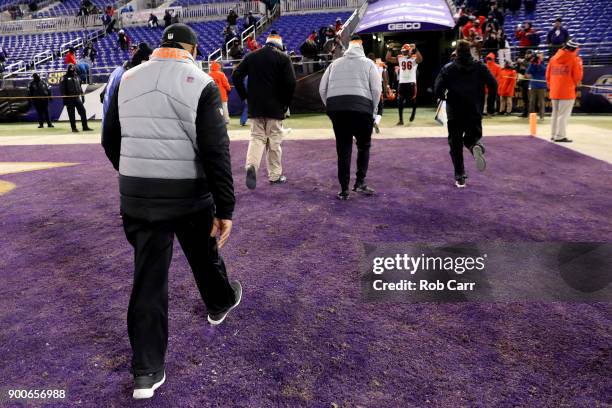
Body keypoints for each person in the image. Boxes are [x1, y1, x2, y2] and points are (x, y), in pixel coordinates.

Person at [101, 23, 241, 399]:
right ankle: (219, 302)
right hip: (188, 195)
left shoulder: (126, 78)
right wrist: (225, 206)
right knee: (203, 251)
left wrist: (136, 177)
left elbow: (110, 138)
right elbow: (216, 152)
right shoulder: (201, 83)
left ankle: (146, 372)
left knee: (148, 279)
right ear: (192, 50)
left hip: (139, 197)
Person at [319, 36, 381, 200]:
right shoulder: (369, 64)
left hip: (337, 109)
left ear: (348, 48)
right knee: (364, 145)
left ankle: (344, 189)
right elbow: (376, 90)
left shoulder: (335, 64)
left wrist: (330, 107)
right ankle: (360, 182)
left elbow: (322, 89)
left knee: (343, 148)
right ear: (362, 47)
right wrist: (372, 111)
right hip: (362, 108)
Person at [232, 32, 296, 189]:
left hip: (255, 106)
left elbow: (236, 75)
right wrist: (285, 104)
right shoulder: (283, 58)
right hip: (275, 106)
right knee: (274, 140)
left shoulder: (251, 56)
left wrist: (244, 96)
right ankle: (275, 176)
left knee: (257, 137)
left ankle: (251, 166)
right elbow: (291, 83)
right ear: (279, 45)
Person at [434, 40, 497, 188]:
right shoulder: (480, 67)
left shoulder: (448, 68)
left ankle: (460, 176)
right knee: (471, 137)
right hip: (474, 109)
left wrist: (444, 97)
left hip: (454, 111)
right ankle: (475, 145)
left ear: (456, 51)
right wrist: (491, 105)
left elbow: (437, 88)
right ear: (470, 51)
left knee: (455, 144)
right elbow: (493, 84)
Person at [101, 42, 152, 126]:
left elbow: (102, 96)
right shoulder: (129, 76)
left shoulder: (118, 71)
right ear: (143, 61)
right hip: (119, 126)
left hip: (109, 124)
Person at [546, 40, 583, 143]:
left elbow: (547, 75)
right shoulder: (574, 59)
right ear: (574, 49)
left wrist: (552, 86)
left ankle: (553, 135)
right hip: (567, 91)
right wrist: (580, 65)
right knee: (563, 115)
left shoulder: (553, 58)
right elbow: (577, 77)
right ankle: (560, 136)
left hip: (555, 90)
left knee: (555, 114)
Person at [386, 43, 423, 125]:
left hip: (411, 82)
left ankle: (413, 112)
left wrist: (416, 50)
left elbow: (420, 60)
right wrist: (390, 49)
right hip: (402, 82)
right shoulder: (400, 58)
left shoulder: (414, 58)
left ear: (409, 51)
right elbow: (388, 58)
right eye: (403, 51)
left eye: (406, 51)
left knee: (412, 100)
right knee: (400, 101)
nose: (404, 53)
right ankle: (401, 120)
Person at [59, 64, 92, 133]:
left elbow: (80, 87)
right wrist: (64, 99)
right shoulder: (64, 78)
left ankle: (85, 127)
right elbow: (62, 89)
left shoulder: (77, 77)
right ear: (68, 69)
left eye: (73, 68)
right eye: (71, 68)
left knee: (83, 111)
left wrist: (82, 96)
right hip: (69, 98)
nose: (73, 69)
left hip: (77, 97)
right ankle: (74, 128)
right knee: (71, 114)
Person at [368, 53, 389, 134]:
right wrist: (386, 89)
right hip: (378, 89)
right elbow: (385, 78)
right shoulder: (380, 64)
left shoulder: (366, 65)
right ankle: (376, 122)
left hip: (368, 90)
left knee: (369, 108)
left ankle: (368, 125)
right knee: (380, 108)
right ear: (375, 59)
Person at [526, 50, 547, 120]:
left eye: (540, 54)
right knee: (532, 101)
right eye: (538, 54)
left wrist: (539, 64)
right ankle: (531, 116)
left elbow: (544, 71)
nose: (539, 56)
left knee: (541, 102)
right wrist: (532, 63)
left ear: (542, 56)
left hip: (542, 85)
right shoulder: (532, 63)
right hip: (533, 85)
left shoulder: (544, 63)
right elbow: (528, 72)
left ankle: (542, 116)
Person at [516, 50, 533, 117]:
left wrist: (522, 61)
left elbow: (529, 65)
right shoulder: (523, 61)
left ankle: (530, 112)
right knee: (525, 98)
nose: (527, 55)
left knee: (529, 98)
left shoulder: (531, 61)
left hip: (529, 82)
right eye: (526, 53)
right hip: (523, 81)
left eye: (528, 54)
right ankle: (525, 113)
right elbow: (519, 70)